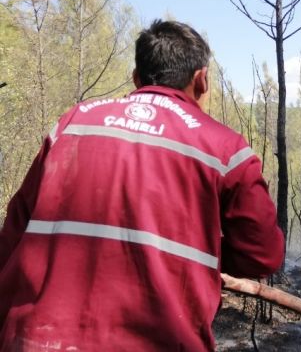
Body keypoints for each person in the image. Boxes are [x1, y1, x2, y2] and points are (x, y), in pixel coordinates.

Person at [0, 20, 284, 351]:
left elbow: (14, 231)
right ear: (201, 79)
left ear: (136, 78)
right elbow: (263, 256)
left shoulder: (72, 123)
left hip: (33, 339)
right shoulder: (225, 148)